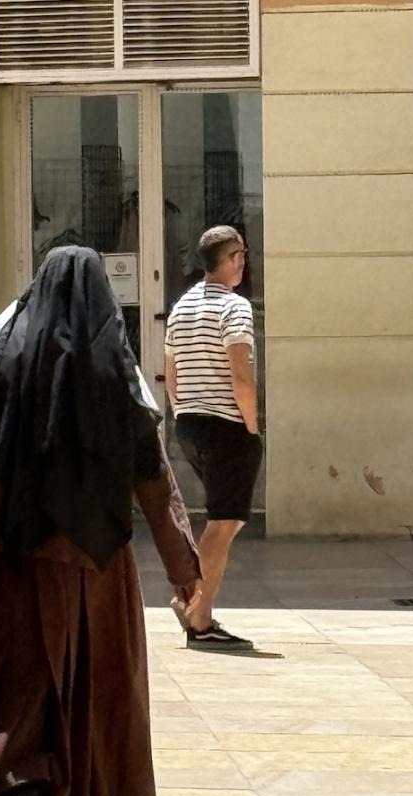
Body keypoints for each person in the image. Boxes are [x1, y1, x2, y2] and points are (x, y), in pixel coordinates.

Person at [0, 247, 202, 796]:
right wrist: (183, 564)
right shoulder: (113, 359)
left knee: (11, 676)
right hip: (91, 562)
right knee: (81, 682)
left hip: (4, 555)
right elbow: (149, 468)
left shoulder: (0, 346)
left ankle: (17, 781)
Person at [164, 225, 261, 651]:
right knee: (223, 524)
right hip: (227, 426)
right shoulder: (235, 308)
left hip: (190, 424)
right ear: (234, 258)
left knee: (227, 518)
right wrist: (251, 426)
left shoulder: (181, 307)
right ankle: (198, 615)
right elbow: (242, 377)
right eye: (241, 255)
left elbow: (172, 376)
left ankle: (190, 601)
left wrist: (183, 411)